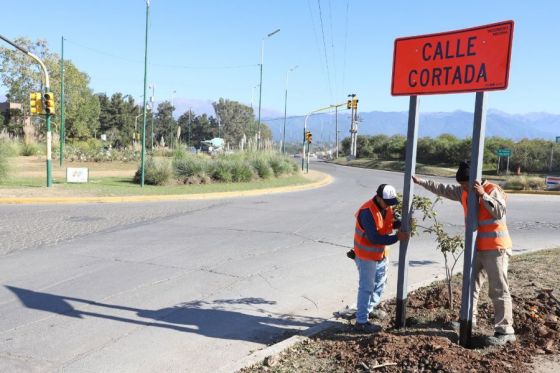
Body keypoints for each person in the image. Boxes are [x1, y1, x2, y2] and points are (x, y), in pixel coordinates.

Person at [412, 161, 516, 345]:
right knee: (470, 287)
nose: (464, 188)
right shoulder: (463, 191)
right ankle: (468, 320)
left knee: (498, 290)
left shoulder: (492, 189)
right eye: (462, 185)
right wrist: (421, 182)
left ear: (474, 180)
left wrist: (482, 195)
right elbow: (442, 189)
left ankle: (505, 331)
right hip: (477, 249)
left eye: (466, 184)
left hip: (496, 248)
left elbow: (499, 212)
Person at [352, 184, 410, 332]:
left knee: (380, 283)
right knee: (366, 287)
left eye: (391, 203)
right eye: (387, 203)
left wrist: (401, 223)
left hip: (381, 254)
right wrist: (397, 237)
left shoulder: (386, 207)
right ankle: (361, 321)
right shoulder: (367, 212)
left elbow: (388, 224)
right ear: (378, 198)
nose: (389, 206)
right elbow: (373, 238)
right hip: (366, 256)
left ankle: (369, 309)